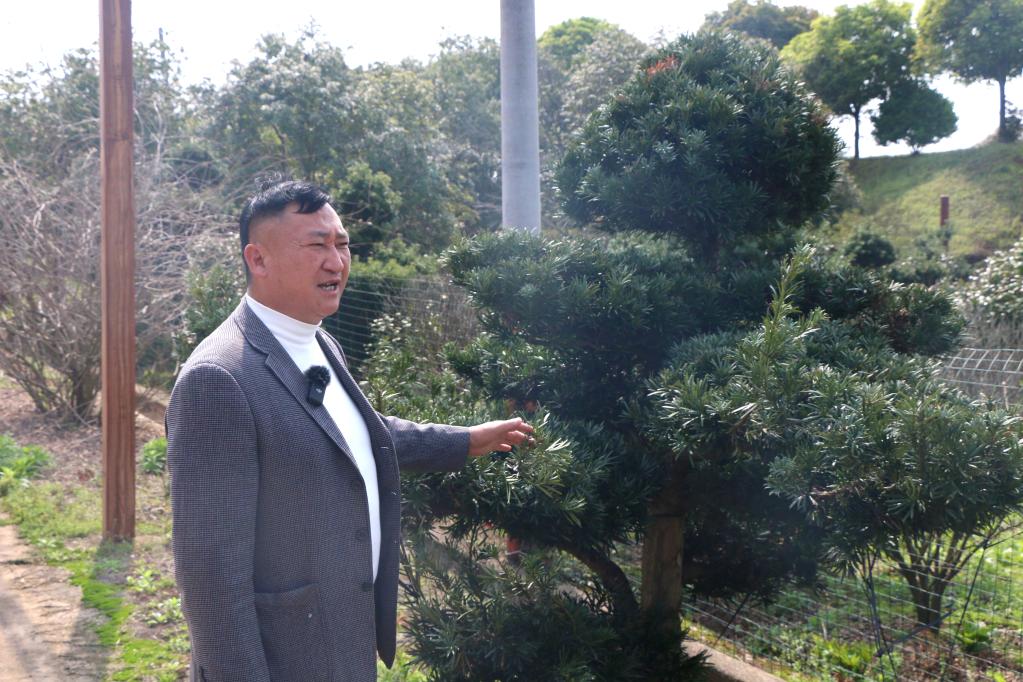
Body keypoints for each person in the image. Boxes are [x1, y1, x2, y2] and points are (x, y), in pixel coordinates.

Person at [166, 179, 533, 682]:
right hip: (285, 659)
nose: (336, 261)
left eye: (342, 244)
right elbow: (210, 577)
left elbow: (353, 434)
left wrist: (464, 440)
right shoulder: (219, 378)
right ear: (258, 259)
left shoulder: (320, 344)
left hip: (343, 643)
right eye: (316, 245)